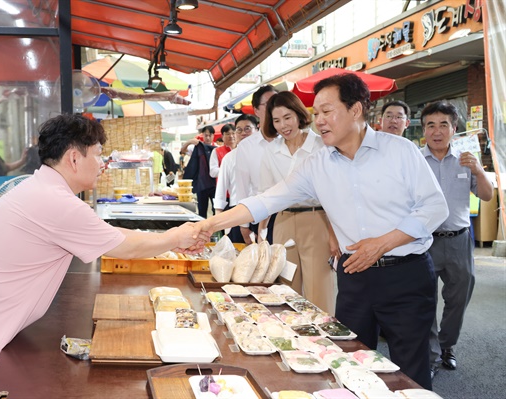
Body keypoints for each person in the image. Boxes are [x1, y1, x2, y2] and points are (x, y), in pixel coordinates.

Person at [195, 73, 448, 390]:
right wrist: (210, 224)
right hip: (355, 277)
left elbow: (435, 207)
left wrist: (383, 243)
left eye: (328, 112)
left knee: (410, 373)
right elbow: (267, 199)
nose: (319, 121)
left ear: (356, 110)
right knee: (349, 363)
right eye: (316, 114)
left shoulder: (400, 151)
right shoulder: (317, 164)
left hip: (406, 276)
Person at [0, 114, 208, 399]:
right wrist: (176, 237)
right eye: (99, 155)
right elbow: (124, 246)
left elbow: (108, 234)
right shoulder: (55, 201)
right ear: (74, 158)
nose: (102, 163)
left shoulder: (41, 187)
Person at [422, 101, 493, 380]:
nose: (437, 131)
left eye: (443, 125)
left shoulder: (467, 159)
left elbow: (486, 196)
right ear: (423, 129)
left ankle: (447, 346)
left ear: (454, 129)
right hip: (424, 241)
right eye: (431, 125)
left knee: (458, 298)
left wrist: (478, 170)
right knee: (424, 300)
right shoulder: (415, 159)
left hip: (459, 240)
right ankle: (428, 355)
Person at [257, 91, 338, 313]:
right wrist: (261, 233)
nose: (283, 125)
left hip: (317, 220)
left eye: (287, 117)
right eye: (276, 120)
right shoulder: (270, 151)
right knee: (285, 287)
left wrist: (334, 234)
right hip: (282, 222)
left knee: (319, 288)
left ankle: (323, 343)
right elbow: (265, 195)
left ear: (298, 115)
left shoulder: (321, 146)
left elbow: (334, 193)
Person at [234, 84, 278, 244]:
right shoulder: (246, 146)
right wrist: (243, 225)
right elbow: (242, 187)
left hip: (289, 215)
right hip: (258, 215)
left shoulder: (291, 141)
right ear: (256, 110)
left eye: (277, 102)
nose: (274, 108)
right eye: (268, 104)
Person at [213, 115, 258, 243]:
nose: (243, 133)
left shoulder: (266, 155)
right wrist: (219, 223)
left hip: (261, 212)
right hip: (236, 212)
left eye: (247, 128)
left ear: (257, 130)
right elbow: (221, 192)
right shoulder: (229, 158)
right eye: (239, 130)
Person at [182, 126, 216, 218]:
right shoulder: (197, 147)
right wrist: (190, 141)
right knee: (202, 211)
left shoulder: (217, 148)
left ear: (213, 135)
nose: (208, 138)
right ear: (203, 135)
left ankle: (218, 231)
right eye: (206, 135)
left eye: (210, 135)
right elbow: (182, 150)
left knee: (216, 209)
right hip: (201, 185)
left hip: (214, 185)